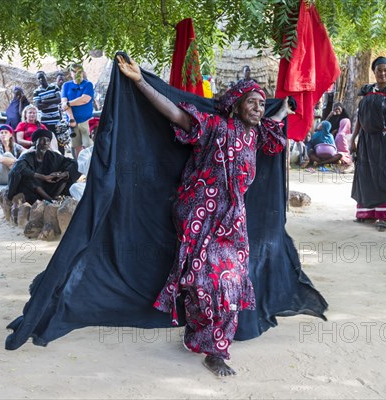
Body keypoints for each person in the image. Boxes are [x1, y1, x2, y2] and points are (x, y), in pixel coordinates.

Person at [117, 55, 292, 377]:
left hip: (233, 220)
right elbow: (174, 113)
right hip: (199, 213)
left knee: (231, 281)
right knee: (201, 281)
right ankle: (202, 339)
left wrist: (283, 109)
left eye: (260, 103)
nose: (257, 108)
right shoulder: (213, 127)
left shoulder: (257, 134)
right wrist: (140, 81)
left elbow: (275, 117)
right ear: (235, 105)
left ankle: (214, 348)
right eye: (251, 102)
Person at [350, 56, 386, 232]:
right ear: (373, 71)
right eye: (379, 70)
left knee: (383, 174)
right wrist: (353, 139)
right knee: (365, 174)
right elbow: (360, 117)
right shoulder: (366, 91)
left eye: (385, 70)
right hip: (366, 140)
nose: (382, 73)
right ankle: (366, 213)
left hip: (385, 139)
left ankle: (382, 216)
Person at [7, 129, 80, 204]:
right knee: (27, 176)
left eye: (48, 140)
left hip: (51, 188)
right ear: (35, 142)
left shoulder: (53, 156)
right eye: (42, 140)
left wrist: (63, 174)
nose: (45, 143)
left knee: (71, 170)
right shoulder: (27, 156)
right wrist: (43, 177)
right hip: (33, 192)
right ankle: (50, 200)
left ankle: (54, 198)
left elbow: (74, 163)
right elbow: (17, 169)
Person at [61, 63, 94, 158]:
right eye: (74, 72)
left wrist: (68, 103)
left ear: (82, 72)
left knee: (88, 145)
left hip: (86, 120)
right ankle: (78, 168)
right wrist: (71, 118)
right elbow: (64, 103)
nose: (77, 74)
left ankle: (90, 168)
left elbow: (85, 99)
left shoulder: (88, 84)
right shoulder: (66, 85)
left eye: (79, 71)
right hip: (73, 121)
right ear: (71, 73)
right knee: (76, 146)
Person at [33, 71, 63, 152]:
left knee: (60, 141)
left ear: (46, 76)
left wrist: (45, 101)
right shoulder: (36, 92)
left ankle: (62, 159)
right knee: (48, 141)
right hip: (45, 121)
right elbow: (38, 106)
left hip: (57, 120)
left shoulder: (54, 87)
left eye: (42, 77)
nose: (40, 80)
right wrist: (52, 100)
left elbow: (59, 100)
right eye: (38, 78)